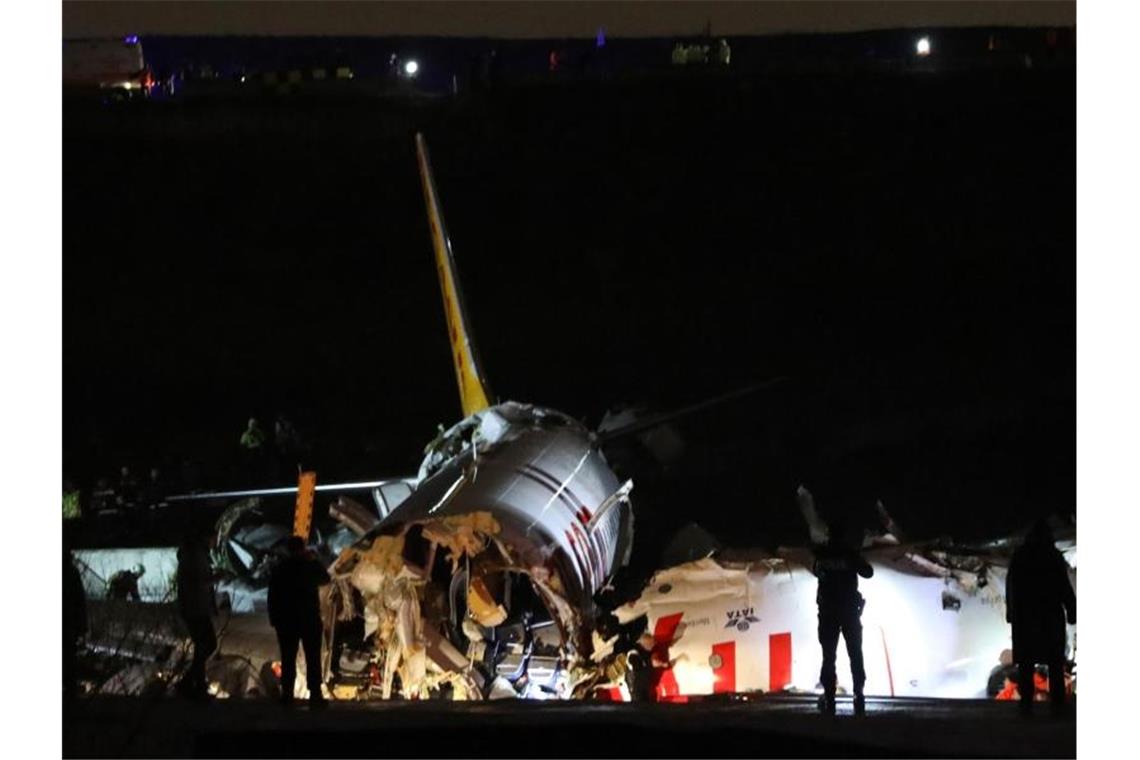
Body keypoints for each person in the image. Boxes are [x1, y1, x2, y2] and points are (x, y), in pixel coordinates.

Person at [1006, 519, 1076, 716]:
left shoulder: (1020, 556)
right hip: (1049, 617)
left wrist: (1011, 613)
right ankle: (1058, 705)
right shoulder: (1053, 556)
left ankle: (1026, 704)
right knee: (1054, 662)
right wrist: (1072, 611)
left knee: (1026, 664)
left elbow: (1011, 587)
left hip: (1026, 618)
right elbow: (1064, 587)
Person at [812, 517, 873, 716]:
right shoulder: (849, 554)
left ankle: (829, 696)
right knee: (855, 652)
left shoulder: (822, 554)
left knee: (829, 655)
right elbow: (868, 572)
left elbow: (817, 571)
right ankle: (859, 694)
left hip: (829, 612)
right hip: (848, 612)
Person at [268, 536, 331, 706]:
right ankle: (315, 696)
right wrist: (313, 560)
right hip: (308, 618)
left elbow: (272, 595)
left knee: (288, 658)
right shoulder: (309, 566)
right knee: (313, 657)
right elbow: (326, 578)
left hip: (286, 621)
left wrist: (274, 618)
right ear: (303, 548)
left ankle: (287, 695)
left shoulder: (280, 568)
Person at [176, 529, 217, 700]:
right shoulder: (195, 555)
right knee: (205, 645)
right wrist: (217, 578)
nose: (216, 542)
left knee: (205, 645)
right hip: (196, 608)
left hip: (195, 607)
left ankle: (190, 683)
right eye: (215, 538)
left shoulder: (193, 554)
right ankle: (195, 685)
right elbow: (198, 583)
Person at [63, 549, 88, 700]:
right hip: (68, 624)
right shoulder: (72, 573)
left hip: (67, 623)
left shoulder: (71, 573)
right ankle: (70, 691)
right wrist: (82, 625)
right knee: (69, 657)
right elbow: (79, 601)